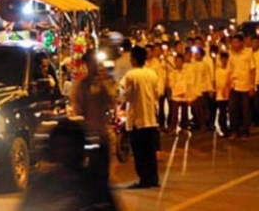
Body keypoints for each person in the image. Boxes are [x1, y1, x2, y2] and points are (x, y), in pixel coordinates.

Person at [18, 120, 118, 211]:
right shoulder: (42, 186)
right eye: (60, 146)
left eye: (69, 146)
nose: (64, 152)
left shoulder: (94, 185)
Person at [69, 49, 117, 185]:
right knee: (91, 170)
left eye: (95, 62)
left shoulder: (104, 82)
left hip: (103, 134)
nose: (93, 66)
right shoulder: (81, 85)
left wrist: (104, 83)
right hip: (88, 134)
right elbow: (77, 107)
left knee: (104, 170)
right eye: (90, 63)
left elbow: (111, 100)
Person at [121, 46, 159, 189]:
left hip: (137, 119)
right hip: (150, 118)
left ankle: (144, 179)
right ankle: (153, 179)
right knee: (150, 152)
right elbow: (156, 93)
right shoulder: (152, 74)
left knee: (139, 152)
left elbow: (125, 95)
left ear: (134, 59)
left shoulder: (130, 75)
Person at [226, 33, 255, 140]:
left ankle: (245, 132)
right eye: (233, 42)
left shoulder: (248, 53)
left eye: (237, 42)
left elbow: (252, 70)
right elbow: (229, 71)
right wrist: (227, 85)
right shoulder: (231, 55)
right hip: (234, 85)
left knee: (245, 110)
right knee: (233, 109)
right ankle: (234, 130)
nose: (234, 44)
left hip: (245, 85)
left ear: (241, 42)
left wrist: (252, 86)